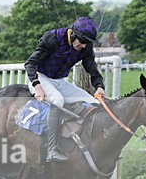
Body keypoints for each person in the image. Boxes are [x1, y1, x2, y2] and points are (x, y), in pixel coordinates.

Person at [25, 16, 106, 162]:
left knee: (95, 103)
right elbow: (30, 63)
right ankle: (52, 149)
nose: (83, 46)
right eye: (82, 42)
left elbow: (92, 69)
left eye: (87, 43)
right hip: (40, 77)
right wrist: (37, 86)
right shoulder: (53, 38)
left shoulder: (85, 46)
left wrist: (99, 87)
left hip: (60, 81)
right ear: (73, 34)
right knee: (57, 99)